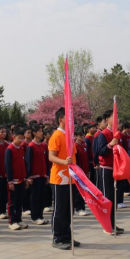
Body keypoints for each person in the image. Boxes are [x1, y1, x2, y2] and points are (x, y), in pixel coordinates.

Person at [48, 107, 80, 250]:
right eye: (69, 118)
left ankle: (67, 236)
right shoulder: (56, 135)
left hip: (70, 178)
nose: (71, 121)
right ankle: (57, 237)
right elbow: (51, 156)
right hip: (59, 179)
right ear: (61, 119)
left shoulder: (69, 136)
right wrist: (64, 162)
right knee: (60, 209)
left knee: (68, 209)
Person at [94, 110, 124, 234]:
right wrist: (110, 144)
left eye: (118, 117)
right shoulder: (103, 134)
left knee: (115, 199)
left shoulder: (117, 134)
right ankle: (106, 226)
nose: (117, 119)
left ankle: (112, 223)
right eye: (114, 117)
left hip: (116, 169)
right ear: (107, 120)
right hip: (106, 170)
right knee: (108, 198)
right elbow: (100, 151)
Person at [5, 129, 29, 231]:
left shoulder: (22, 148)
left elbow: (24, 164)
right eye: (19, 138)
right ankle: (12, 221)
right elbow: (8, 166)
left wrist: (25, 178)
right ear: (13, 137)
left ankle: (19, 219)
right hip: (13, 180)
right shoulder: (9, 149)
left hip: (21, 179)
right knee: (12, 202)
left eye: (22, 138)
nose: (21, 140)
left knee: (20, 201)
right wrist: (10, 181)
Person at [25, 125, 49, 225]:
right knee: (35, 197)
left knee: (42, 196)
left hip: (42, 175)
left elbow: (46, 161)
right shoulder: (31, 146)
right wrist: (29, 176)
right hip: (34, 176)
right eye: (39, 131)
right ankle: (35, 217)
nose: (41, 133)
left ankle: (40, 215)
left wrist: (47, 174)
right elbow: (28, 162)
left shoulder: (43, 145)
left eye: (41, 131)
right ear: (34, 133)